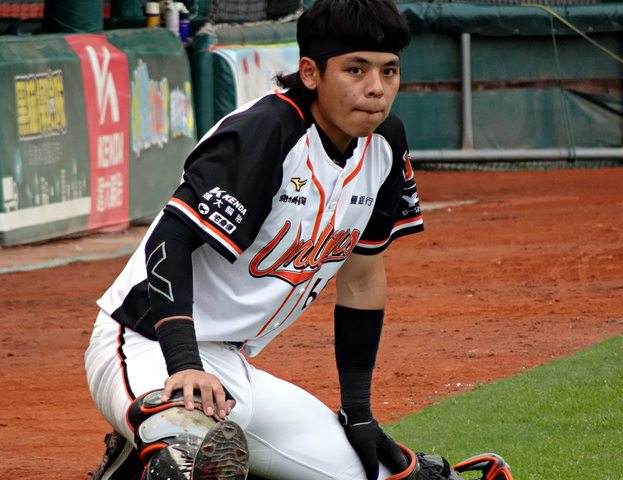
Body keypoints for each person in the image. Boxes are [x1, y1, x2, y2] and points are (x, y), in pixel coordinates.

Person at [85, 0, 434, 478]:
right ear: (310, 73)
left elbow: (362, 277)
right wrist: (183, 364)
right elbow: (169, 239)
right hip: (146, 344)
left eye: (389, 71)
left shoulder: (385, 144)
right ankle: (150, 444)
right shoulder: (266, 131)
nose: (376, 88)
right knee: (187, 453)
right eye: (356, 69)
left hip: (232, 365)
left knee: (373, 473)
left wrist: (358, 409)